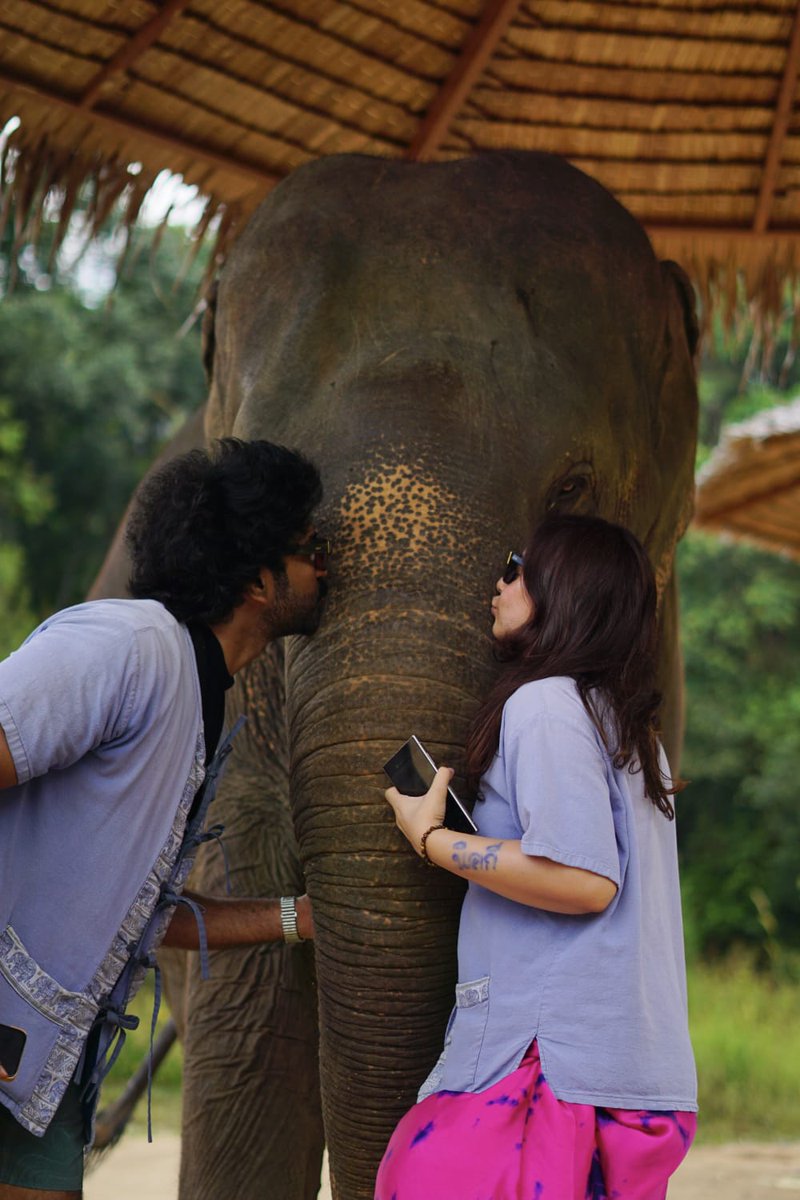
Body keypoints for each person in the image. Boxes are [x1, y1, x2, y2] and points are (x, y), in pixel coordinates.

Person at [0, 437, 327, 1199]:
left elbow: (136, 914)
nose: (326, 567)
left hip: (40, 1057)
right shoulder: (130, 647)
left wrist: (304, 917)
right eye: (312, 548)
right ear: (257, 577)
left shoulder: (197, 692)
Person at [378, 513, 697, 1200]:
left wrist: (435, 841)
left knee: (418, 1175)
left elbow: (584, 881)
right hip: (626, 1074)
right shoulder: (626, 726)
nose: (499, 583)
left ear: (564, 588)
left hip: (551, 1070)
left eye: (516, 565)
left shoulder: (546, 706)